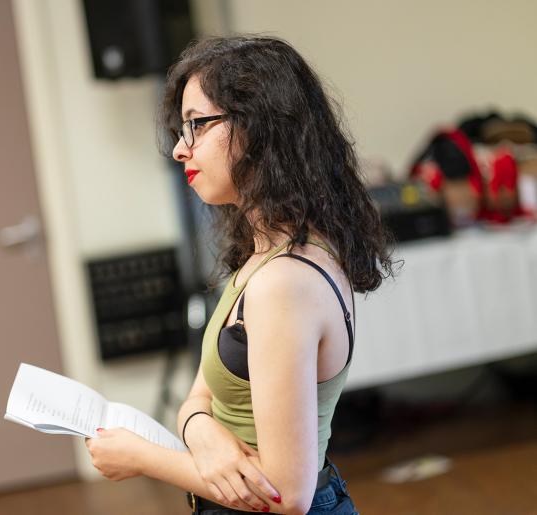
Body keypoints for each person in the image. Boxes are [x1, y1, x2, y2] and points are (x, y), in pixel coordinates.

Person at [84, 35, 395, 514]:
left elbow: (286, 494)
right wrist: (202, 432)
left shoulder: (285, 279)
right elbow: (196, 398)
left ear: (260, 127)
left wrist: (141, 456)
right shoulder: (264, 255)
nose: (180, 150)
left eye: (197, 126)